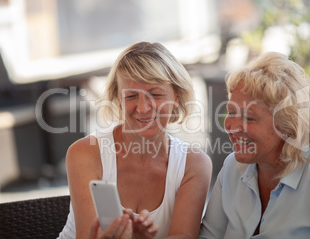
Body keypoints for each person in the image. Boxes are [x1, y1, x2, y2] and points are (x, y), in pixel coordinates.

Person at [199, 52, 310, 239]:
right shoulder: (232, 168)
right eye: (231, 113)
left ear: (287, 125)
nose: (232, 127)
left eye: (249, 118)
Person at [58, 41, 212, 239]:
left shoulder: (194, 164)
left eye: (155, 94)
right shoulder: (86, 153)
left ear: (176, 97)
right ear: (118, 100)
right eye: (131, 96)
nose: (142, 108)